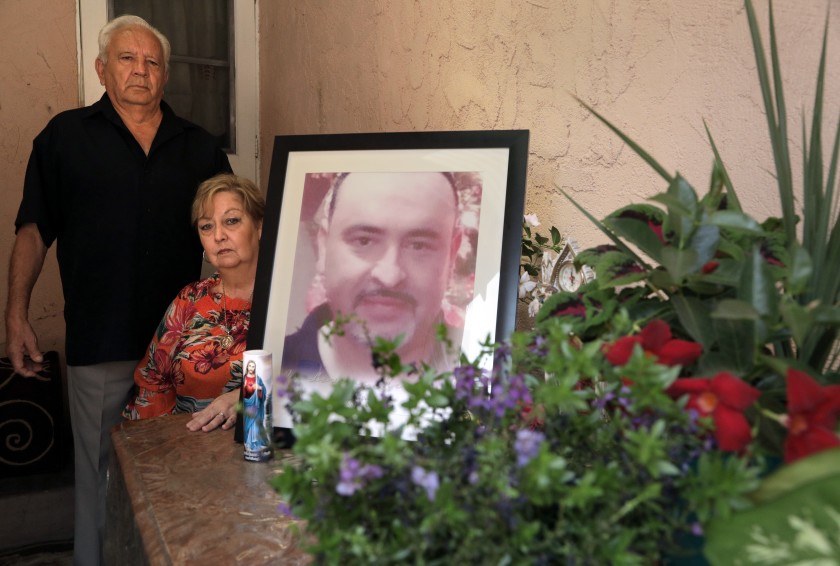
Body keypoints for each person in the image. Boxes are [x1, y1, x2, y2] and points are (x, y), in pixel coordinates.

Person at [4, 14, 231, 566]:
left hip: (184, 350)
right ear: (103, 69)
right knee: (100, 474)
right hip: (99, 341)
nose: (141, 70)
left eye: (153, 62)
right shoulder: (66, 136)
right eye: (128, 59)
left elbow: (233, 236)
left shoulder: (197, 146)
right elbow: (34, 229)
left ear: (165, 76)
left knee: (179, 476)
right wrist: (16, 314)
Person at [282, 171, 463, 383]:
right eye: (364, 241)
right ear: (323, 247)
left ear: (451, 257)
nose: (389, 276)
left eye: (418, 245)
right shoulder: (270, 372)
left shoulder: (488, 376)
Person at [125, 173, 264, 433]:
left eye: (231, 221)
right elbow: (152, 383)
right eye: (206, 226)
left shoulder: (288, 299)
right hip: (191, 451)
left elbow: (314, 380)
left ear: (259, 226)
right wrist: (160, 449)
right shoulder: (191, 299)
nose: (219, 235)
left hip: (269, 450)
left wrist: (244, 396)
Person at [242, 359, 271, 458]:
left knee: (256, 424)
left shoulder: (258, 379)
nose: (251, 368)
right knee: (248, 425)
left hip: (256, 405)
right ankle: (249, 443)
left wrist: (259, 388)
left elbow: (263, 390)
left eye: (253, 366)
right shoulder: (244, 378)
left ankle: (256, 443)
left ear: (255, 368)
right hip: (248, 404)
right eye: (249, 366)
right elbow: (243, 394)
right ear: (247, 367)